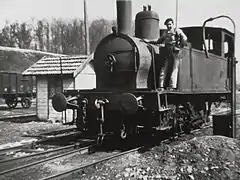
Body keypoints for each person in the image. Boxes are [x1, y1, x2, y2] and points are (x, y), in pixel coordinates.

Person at [147, 18, 187, 89]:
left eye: (170, 24)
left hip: (175, 51)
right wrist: (149, 41)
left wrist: (179, 46)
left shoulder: (177, 30)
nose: (169, 26)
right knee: (164, 67)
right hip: (167, 50)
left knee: (174, 68)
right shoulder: (165, 33)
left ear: (173, 24)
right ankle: (161, 86)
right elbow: (159, 41)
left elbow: (184, 38)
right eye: (167, 25)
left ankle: (172, 86)